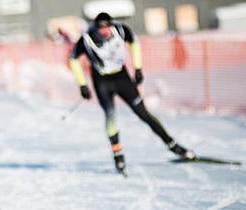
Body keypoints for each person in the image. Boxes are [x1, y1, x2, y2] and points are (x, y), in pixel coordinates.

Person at [69, 12, 195, 175]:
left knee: (143, 113)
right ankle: (118, 155)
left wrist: (137, 67)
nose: (105, 31)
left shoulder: (121, 31)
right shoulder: (86, 40)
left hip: (121, 78)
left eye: (108, 27)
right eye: (101, 28)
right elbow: (73, 59)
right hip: (102, 82)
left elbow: (135, 42)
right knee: (110, 116)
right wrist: (82, 84)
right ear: (96, 28)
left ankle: (173, 145)